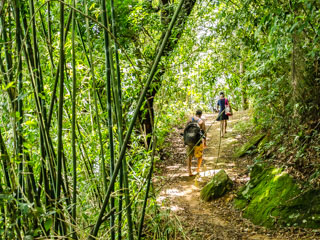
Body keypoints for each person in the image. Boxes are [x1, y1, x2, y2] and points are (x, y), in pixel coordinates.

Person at [186, 110, 207, 176]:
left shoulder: (190, 119)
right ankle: (198, 168)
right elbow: (204, 131)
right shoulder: (201, 121)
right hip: (197, 141)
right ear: (200, 115)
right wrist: (205, 141)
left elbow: (185, 129)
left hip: (189, 140)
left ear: (196, 114)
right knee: (200, 156)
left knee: (189, 156)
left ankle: (189, 171)